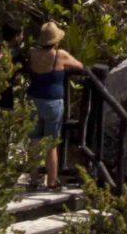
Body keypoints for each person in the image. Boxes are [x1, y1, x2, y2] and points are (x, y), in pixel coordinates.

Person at [25, 22, 84, 189]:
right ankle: (52, 182)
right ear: (56, 40)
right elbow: (79, 66)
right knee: (51, 144)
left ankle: (34, 180)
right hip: (52, 103)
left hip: (33, 100)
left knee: (34, 141)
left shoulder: (33, 53)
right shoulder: (60, 55)